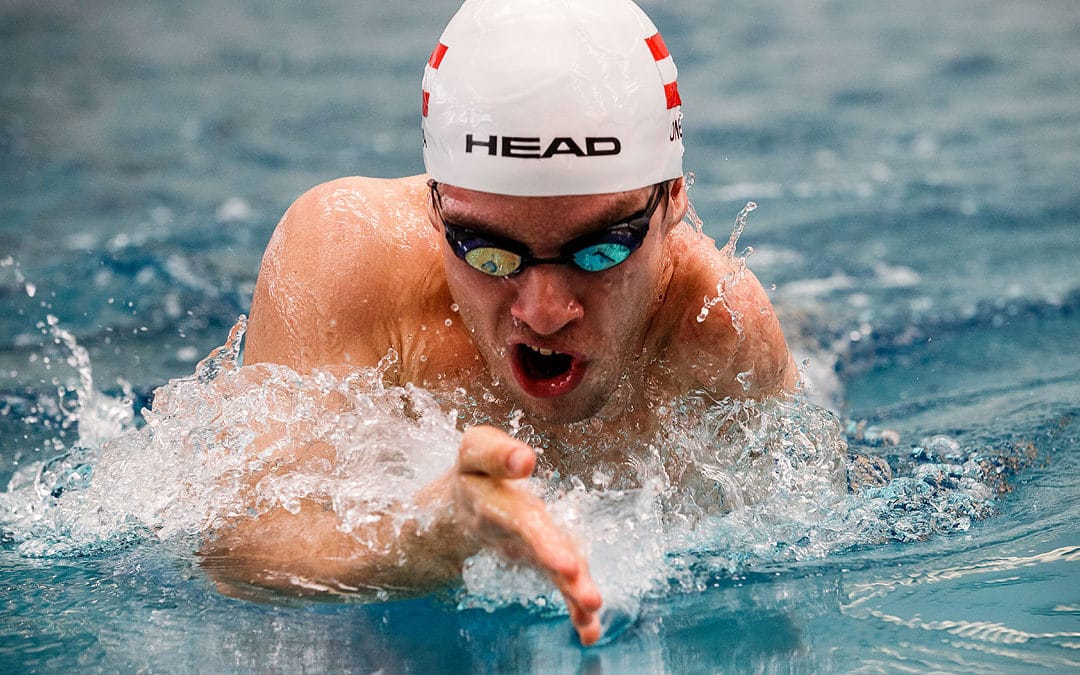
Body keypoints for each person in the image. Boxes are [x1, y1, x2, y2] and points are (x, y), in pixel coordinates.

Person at [211, 0, 796, 646]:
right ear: (436, 208)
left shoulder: (719, 330)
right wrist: (435, 534)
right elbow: (242, 546)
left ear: (674, 200)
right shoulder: (346, 259)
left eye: (600, 248)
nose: (543, 311)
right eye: (488, 252)